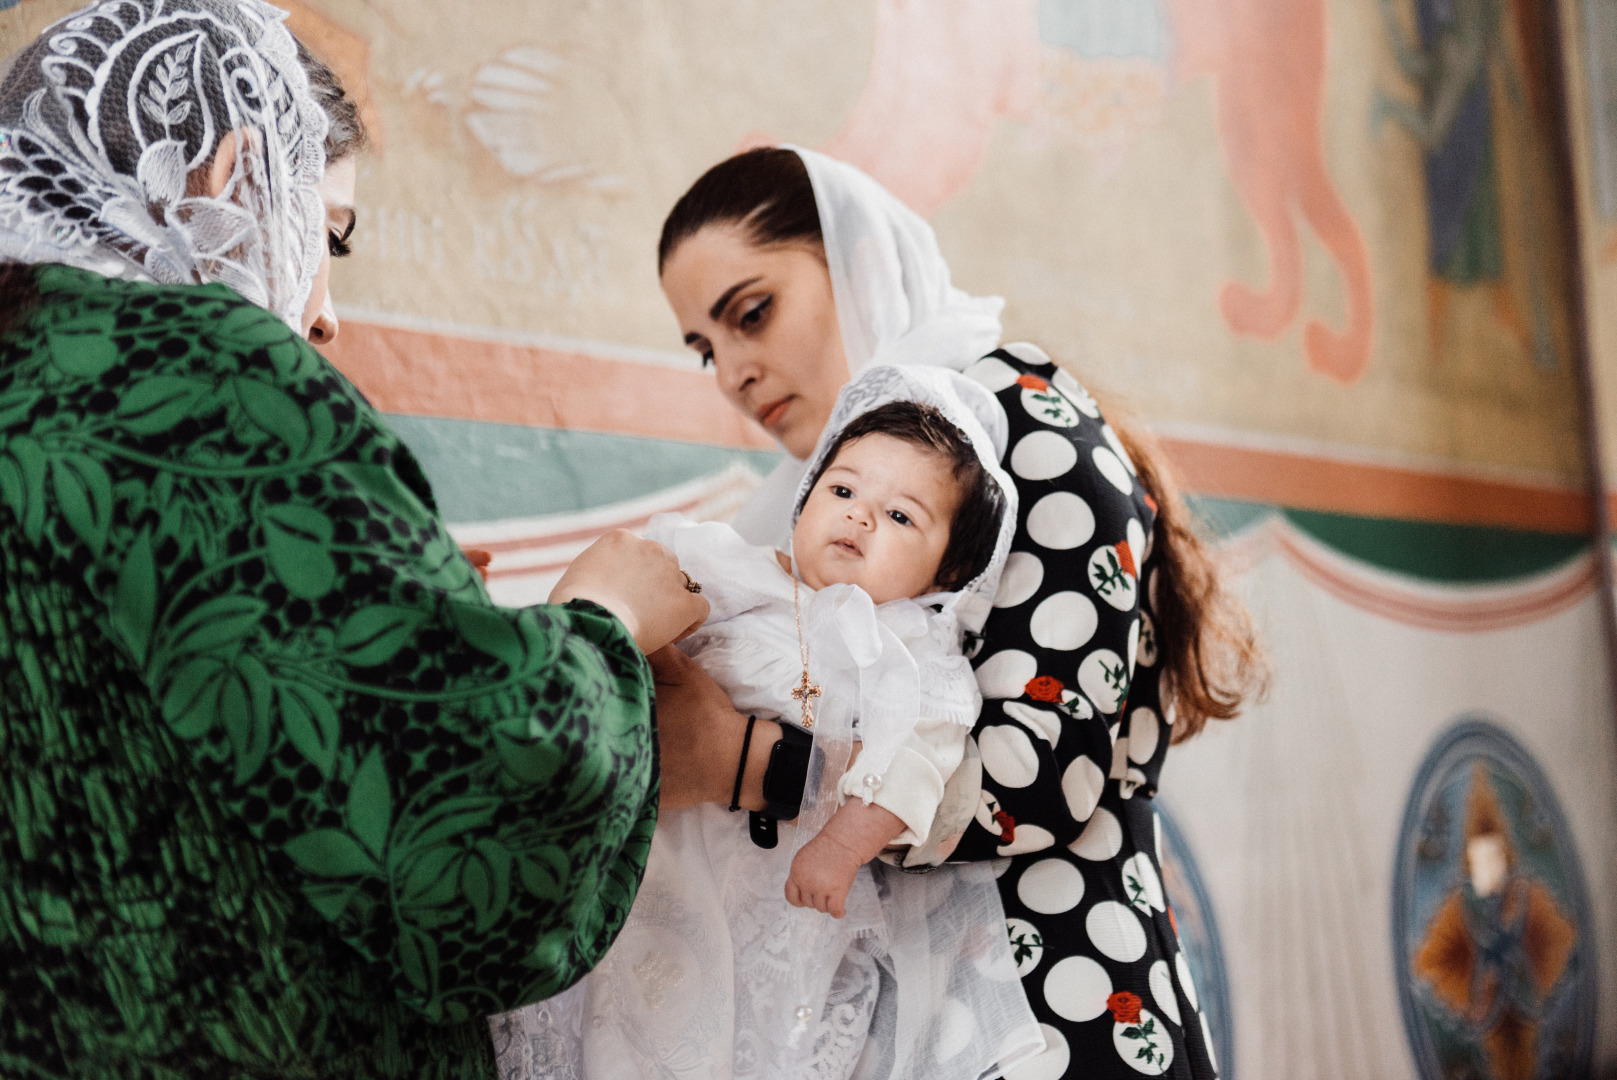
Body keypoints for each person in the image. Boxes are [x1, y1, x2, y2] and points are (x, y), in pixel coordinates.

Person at [0, 4, 706, 1078]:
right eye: (322, 234)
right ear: (224, 176)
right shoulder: (205, 380)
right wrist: (606, 621)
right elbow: (461, 821)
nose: (326, 316)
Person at [650, 146, 1267, 1078]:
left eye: (751, 313)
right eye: (707, 348)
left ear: (858, 260)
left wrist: (744, 763)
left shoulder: (1023, 426)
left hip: (1058, 1000)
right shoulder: (806, 503)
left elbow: (1039, 773)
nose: (732, 371)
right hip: (900, 1017)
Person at [507, 365, 1042, 1080]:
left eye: (900, 516)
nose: (858, 516)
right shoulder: (736, 572)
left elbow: (918, 767)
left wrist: (842, 847)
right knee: (623, 1002)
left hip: (782, 889)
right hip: (659, 849)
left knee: (744, 1034)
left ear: (949, 572)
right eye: (844, 490)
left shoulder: (916, 656)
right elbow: (635, 603)